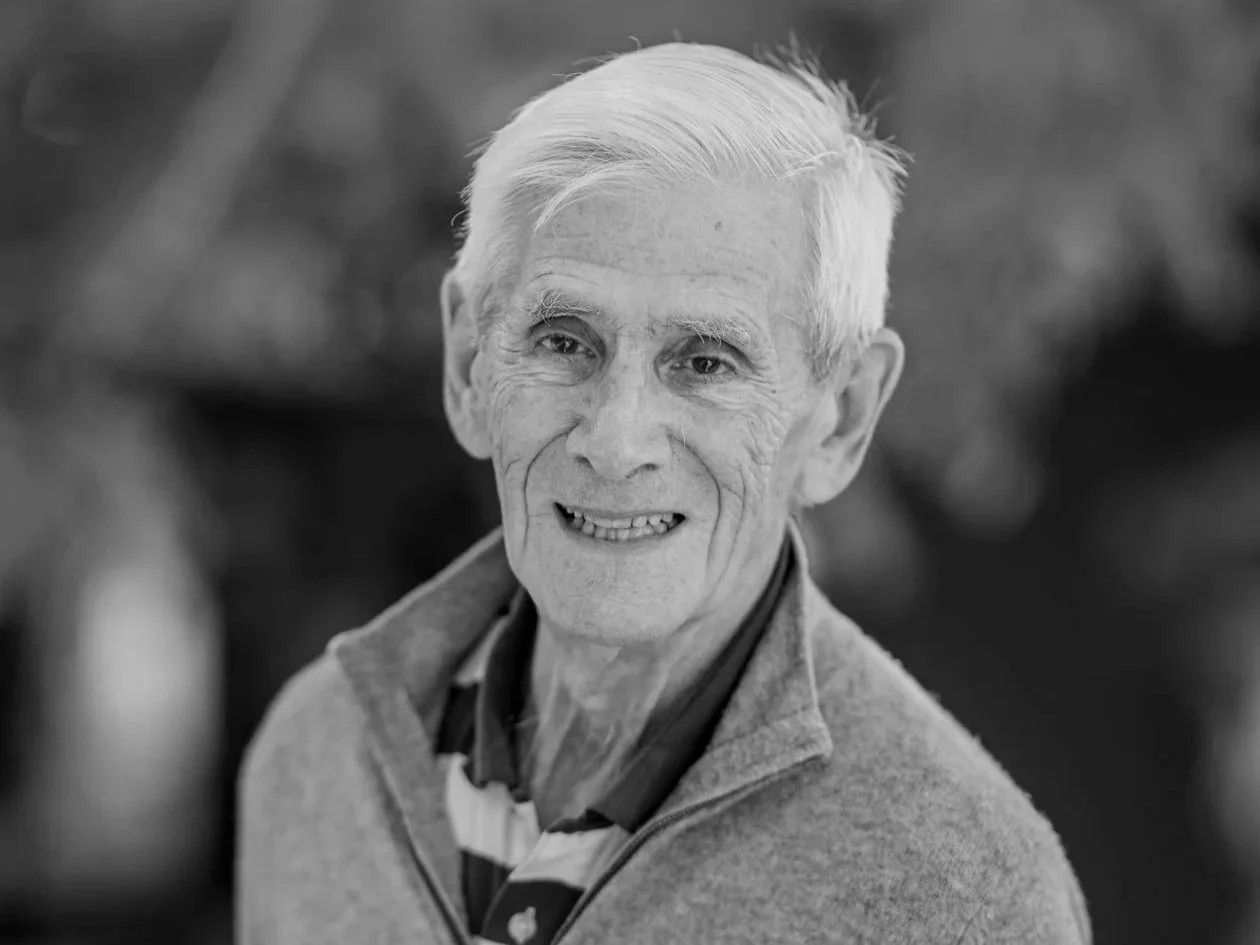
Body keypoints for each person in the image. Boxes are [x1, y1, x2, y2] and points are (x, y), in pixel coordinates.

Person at [235, 41, 1092, 944]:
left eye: (705, 361)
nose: (615, 442)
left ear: (840, 420)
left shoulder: (959, 895)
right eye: (564, 340)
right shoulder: (317, 756)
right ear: (465, 365)